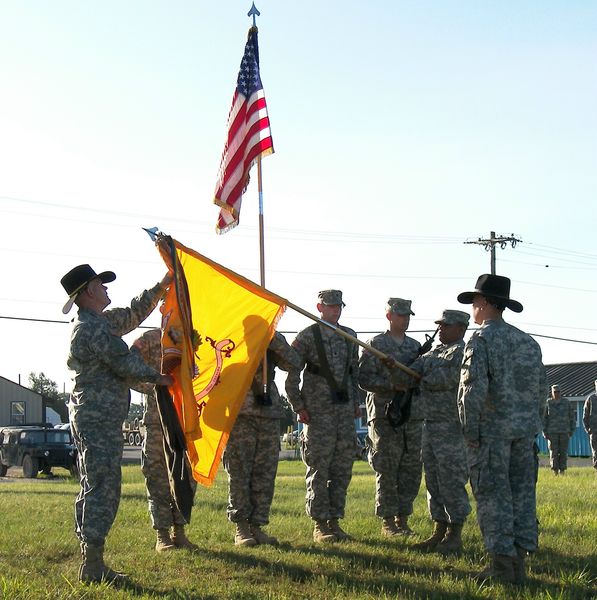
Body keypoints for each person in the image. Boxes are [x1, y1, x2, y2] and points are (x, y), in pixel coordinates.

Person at [61, 264, 173, 584]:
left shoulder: (101, 322)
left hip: (99, 419)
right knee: (103, 487)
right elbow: (125, 362)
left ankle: (91, 561)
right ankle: (93, 565)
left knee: (97, 485)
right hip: (96, 421)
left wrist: (163, 284)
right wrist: (164, 379)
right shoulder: (90, 329)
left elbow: (134, 313)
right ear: (88, 292)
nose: (107, 289)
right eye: (101, 284)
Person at [457, 274, 547, 584]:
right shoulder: (528, 342)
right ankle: (519, 564)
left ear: (483, 303)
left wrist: (470, 434)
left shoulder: (481, 340)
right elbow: (540, 393)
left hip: (491, 436)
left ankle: (501, 566)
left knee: (494, 498)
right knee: (522, 497)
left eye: (474, 302)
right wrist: (532, 427)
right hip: (523, 435)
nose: (472, 309)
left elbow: (472, 391)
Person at [285, 290, 360, 543]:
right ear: (319, 307)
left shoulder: (350, 336)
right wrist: (298, 405)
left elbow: (354, 374)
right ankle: (319, 524)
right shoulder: (307, 336)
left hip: (344, 413)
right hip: (317, 414)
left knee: (342, 469)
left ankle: (334, 521)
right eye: (330, 306)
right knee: (319, 468)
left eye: (339, 306)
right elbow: (292, 374)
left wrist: (356, 404)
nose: (336, 310)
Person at [222, 332, 300, 547]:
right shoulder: (229, 334)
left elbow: (294, 362)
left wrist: (272, 340)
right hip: (240, 412)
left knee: (265, 472)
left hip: (268, 411)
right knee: (239, 471)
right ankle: (241, 528)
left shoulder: (271, 338)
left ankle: (257, 526)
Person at [358, 298, 422, 537]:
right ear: (389, 316)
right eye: (400, 315)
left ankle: (402, 518)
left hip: (411, 414)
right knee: (387, 466)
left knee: (410, 467)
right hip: (384, 415)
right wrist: (392, 384)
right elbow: (363, 378)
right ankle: (388, 521)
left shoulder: (415, 347)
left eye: (407, 316)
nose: (405, 320)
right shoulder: (376, 344)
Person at [410, 309, 471, 554]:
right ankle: (439, 529)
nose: (441, 329)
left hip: (451, 426)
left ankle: (455, 533)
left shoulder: (463, 352)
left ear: (460, 328)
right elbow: (413, 370)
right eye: (440, 325)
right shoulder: (434, 352)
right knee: (433, 480)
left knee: (452, 479)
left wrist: (420, 376)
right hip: (430, 423)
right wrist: (394, 365)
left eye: (446, 325)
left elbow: (446, 379)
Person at [132, 328, 198, 552]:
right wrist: (155, 386)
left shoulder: (194, 338)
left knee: (186, 475)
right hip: (157, 418)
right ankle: (162, 534)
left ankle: (180, 532)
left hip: (186, 419)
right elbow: (128, 368)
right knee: (157, 475)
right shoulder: (150, 339)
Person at [542, 384, 576, 475]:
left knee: (563, 452)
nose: (557, 393)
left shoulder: (566, 402)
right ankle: (555, 471)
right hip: (552, 432)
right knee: (554, 452)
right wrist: (544, 431)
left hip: (564, 431)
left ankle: (562, 471)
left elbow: (572, 417)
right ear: (552, 392)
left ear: (561, 392)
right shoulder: (548, 403)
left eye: (558, 392)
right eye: (555, 392)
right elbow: (544, 418)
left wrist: (572, 430)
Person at [582, 380, 597, 476]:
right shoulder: (591, 399)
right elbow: (585, 415)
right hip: (594, 431)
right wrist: (587, 429)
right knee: (595, 451)